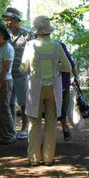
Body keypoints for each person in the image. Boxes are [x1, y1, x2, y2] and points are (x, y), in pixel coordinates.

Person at [19, 16, 72, 166]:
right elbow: (67, 67)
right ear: (49, 30)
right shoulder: (57, 46)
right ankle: (48, 158)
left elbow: (23, 68)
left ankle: (34, 158)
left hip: (35, 87)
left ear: (36, 31)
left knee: (34, 121)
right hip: (53, 88)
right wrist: (57, 68)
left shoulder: (30, 45)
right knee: (51, 122)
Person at [2, 7, 33, 140]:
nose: (6, 22)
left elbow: (34, 53)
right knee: (9, 102)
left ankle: (24, 128)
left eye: (8, 19)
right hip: (8, 75)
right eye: (5, 19)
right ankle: (12, 127)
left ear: (16, 20)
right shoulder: (5, 35)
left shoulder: (27, 34)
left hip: (22, 74)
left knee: (23, 102)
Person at [57, 41, 77, 141]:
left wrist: (76, 78)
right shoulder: (35, 45)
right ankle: (64, 128)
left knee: (62, 109)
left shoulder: (59, 45)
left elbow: (71, 65)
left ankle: (65, 127)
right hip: (50, 84)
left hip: (62, 85)